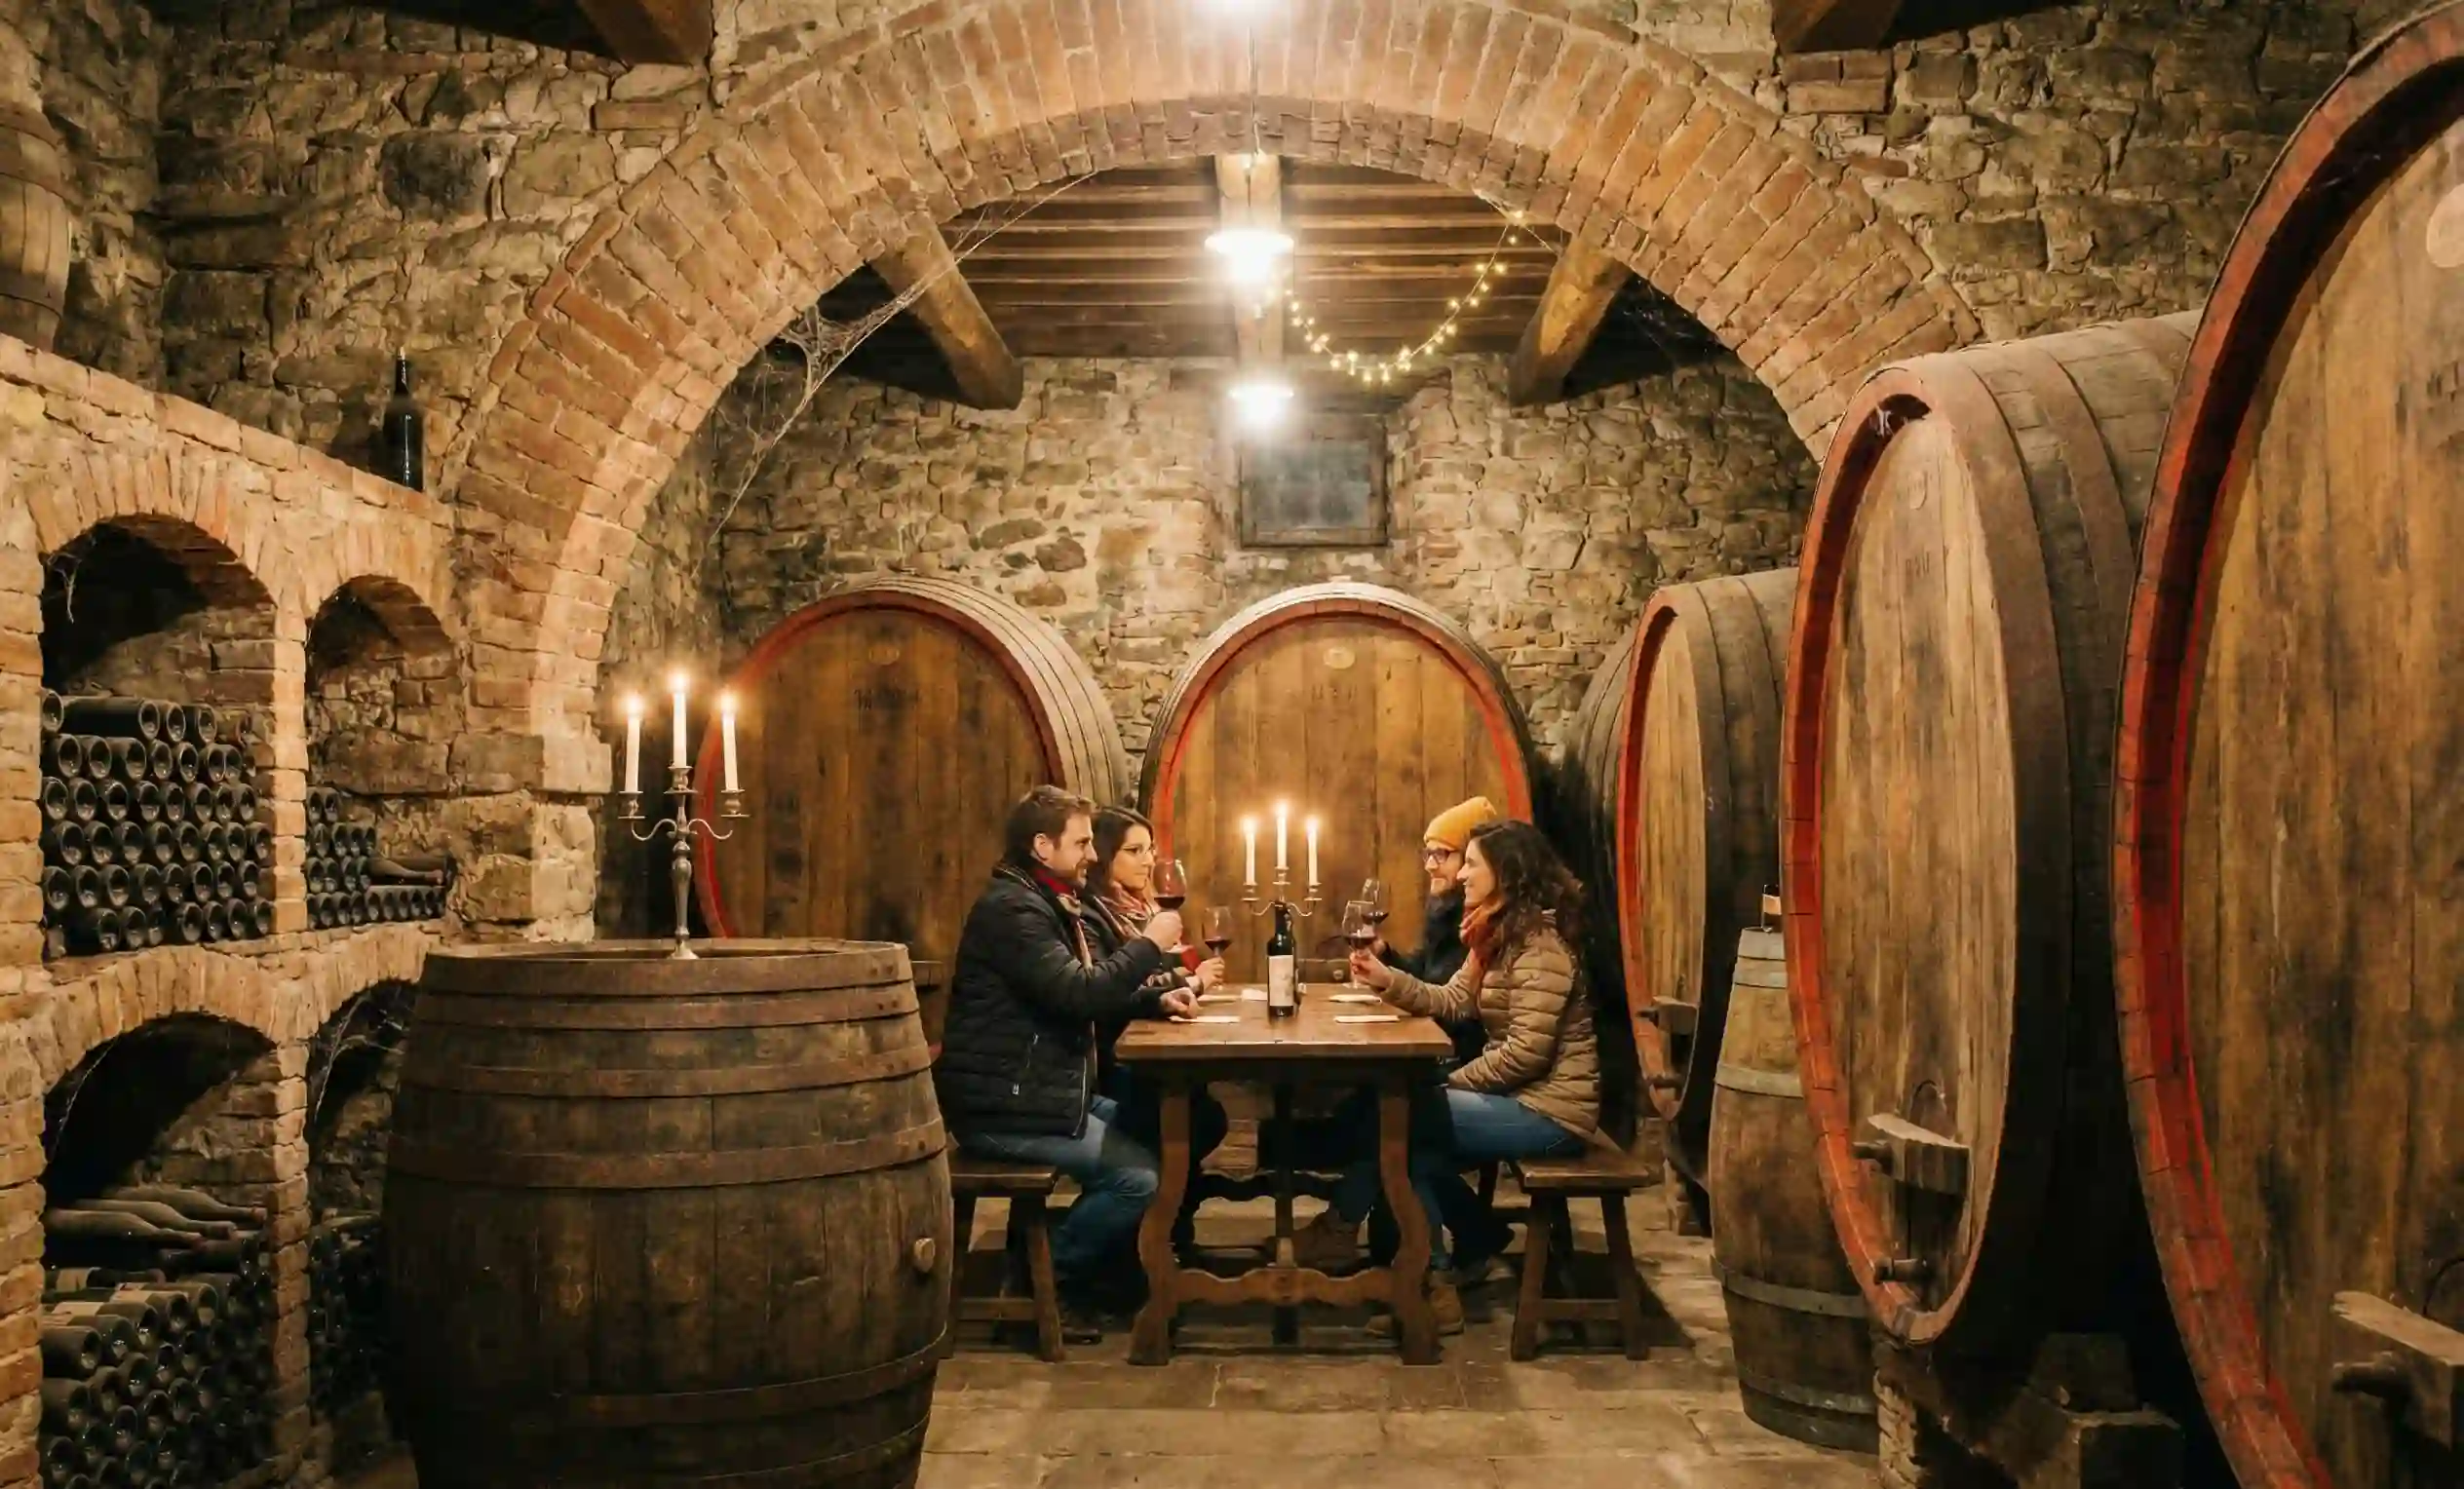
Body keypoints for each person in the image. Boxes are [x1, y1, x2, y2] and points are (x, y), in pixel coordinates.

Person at [1296, 819, 1602, 1334]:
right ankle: (1433, 1275)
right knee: (1404, 1137)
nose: (1462, 875)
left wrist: (1450, 1085)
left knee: (1404, 1116)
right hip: (1521, 1099)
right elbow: (1451, 1001)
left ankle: (1365, 1240)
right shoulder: (1495, 934)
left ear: (1506, 872)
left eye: (1473, 864)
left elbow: (1527, 1055)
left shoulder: (1540, 948)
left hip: (1552, 1111)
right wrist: (1385, 978)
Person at [936, 785, 1198, 1337]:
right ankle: (1048, 1280)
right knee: (1138, 1177)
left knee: (1154, 1131)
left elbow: (1071, 992)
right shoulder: (1012, 911)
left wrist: (1153, 996)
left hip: (1038, 1090)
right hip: (1003, 1108)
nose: (1093, 854)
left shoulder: (1040, 898)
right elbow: (1079, 992)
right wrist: (1150, 944)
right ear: (1041, 845)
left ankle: (1113, 1272)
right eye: (1081, 842)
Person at [1082, 805, 1231, 1249]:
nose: (1149, 860)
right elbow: (1111, 992)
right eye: (1134, 850)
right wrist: (1191, 981)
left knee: (1198, 1113)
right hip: (1108, 1061)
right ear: (1104, 856)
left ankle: (1167, 1234)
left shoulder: (1137, 910)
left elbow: (1152, 980)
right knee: (1187, 1117)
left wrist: (1180, 981)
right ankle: (1153, 1240)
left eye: (1151, 849)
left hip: (1138, 1052)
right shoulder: (1092, 917)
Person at [1380, 795, 1500, 1064]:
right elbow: (1430, 980)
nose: (1429, 865)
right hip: (1454, 1057)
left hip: (1466, 1060)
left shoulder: (1489, 928)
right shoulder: (1448, 914)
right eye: (1428, 853)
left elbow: (1451, 1005)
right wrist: (1383, 956)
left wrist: (1455, 1081)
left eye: (1441, 854)